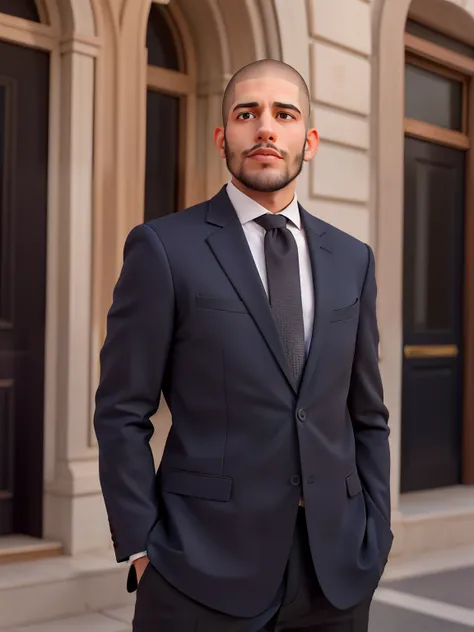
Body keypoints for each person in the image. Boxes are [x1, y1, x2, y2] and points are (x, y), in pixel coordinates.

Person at [94, 58, 393, 632]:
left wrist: (376, 532)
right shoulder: (163, 248)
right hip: (199, 569)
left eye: (283, 114)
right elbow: (121, 409)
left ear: (308, 140)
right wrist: (140, 547)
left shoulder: (353, 260)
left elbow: (366, 413)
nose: (265, 128)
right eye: (246, 113)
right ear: (221, 137)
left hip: (336, 574)